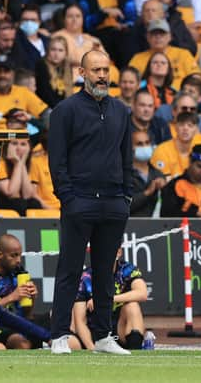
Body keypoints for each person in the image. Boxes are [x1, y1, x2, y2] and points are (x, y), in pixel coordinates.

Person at [48, 49, 131, 355]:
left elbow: (127, 159)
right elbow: (56, 161)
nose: (101, 75)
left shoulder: (122, 111)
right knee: (69, 269)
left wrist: (126, 197)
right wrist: (68, 198)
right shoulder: (65, 111)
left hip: (113, 203)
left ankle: (103, 336)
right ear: (81, 73)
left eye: (105, 70)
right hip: (78, 201)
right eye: (95, 70)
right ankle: (58, 335)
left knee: (105, 273)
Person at [0, 234, 54, 349]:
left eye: (19, 255)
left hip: (18, 323)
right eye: (13, 256)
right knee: (22, 343)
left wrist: (31, 298)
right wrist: (11, 297)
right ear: (0, 254)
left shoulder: (18, 273)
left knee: (62, 330)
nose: (18, 260)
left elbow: (27, 315)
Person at [73, 248, 147, 350]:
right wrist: (92, 348)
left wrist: (106, 300)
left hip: (119, 327)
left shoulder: (127, 270)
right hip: (95, 329)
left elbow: (142, 293)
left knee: (132, 306)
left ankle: (135, 353)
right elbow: (80, 321)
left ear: (119, 252)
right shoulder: (85, 277)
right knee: (72, 338)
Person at [0, 59, 48, 129]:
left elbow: (47, 115)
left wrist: (32, 120)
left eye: (6, 71)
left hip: (19, 141)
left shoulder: (23, 92)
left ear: (13, 74)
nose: (2, 75)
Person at [150, 111, 201, 178]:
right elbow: (162, 182)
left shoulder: (200, 151)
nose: (185, 128)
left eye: (190, 125)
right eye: (181, 125)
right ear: (175, 127)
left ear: (196, 129)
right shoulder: (162, 151)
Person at [130, 130, 166, 217]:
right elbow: (121, 206)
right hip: (129, 226)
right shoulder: (123, 174)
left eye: (147, 143)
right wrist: (147, 193)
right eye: (139, 144)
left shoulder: (158, 174)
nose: (144, 146)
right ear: (130, 147)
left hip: (156, 227)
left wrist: (166, 189)